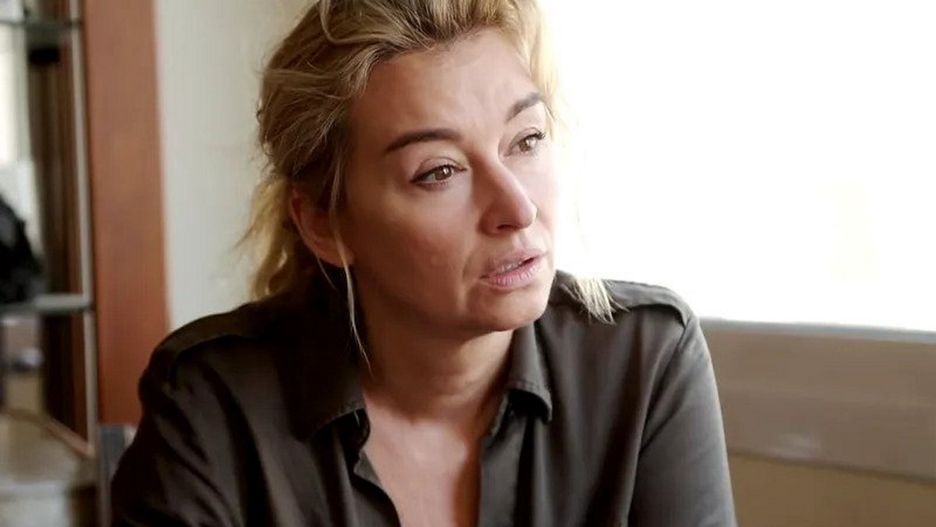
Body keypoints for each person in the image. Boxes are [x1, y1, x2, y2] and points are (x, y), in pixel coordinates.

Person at [111, 0, 736, 525]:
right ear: (325, 224)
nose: (517, 208)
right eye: (439, 171)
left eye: (526, 140)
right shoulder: (212, 404)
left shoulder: (645, 360)